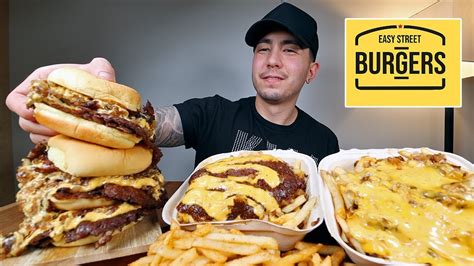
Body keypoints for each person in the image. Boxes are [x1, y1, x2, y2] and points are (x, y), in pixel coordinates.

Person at [6, 2, 339, 243]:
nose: (272, 60)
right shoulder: (212, 113)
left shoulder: (323, 142)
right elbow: (144, 127)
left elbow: (321, 228)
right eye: (263, 49)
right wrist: (86, 105)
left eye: (290, 50)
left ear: (312, 71)